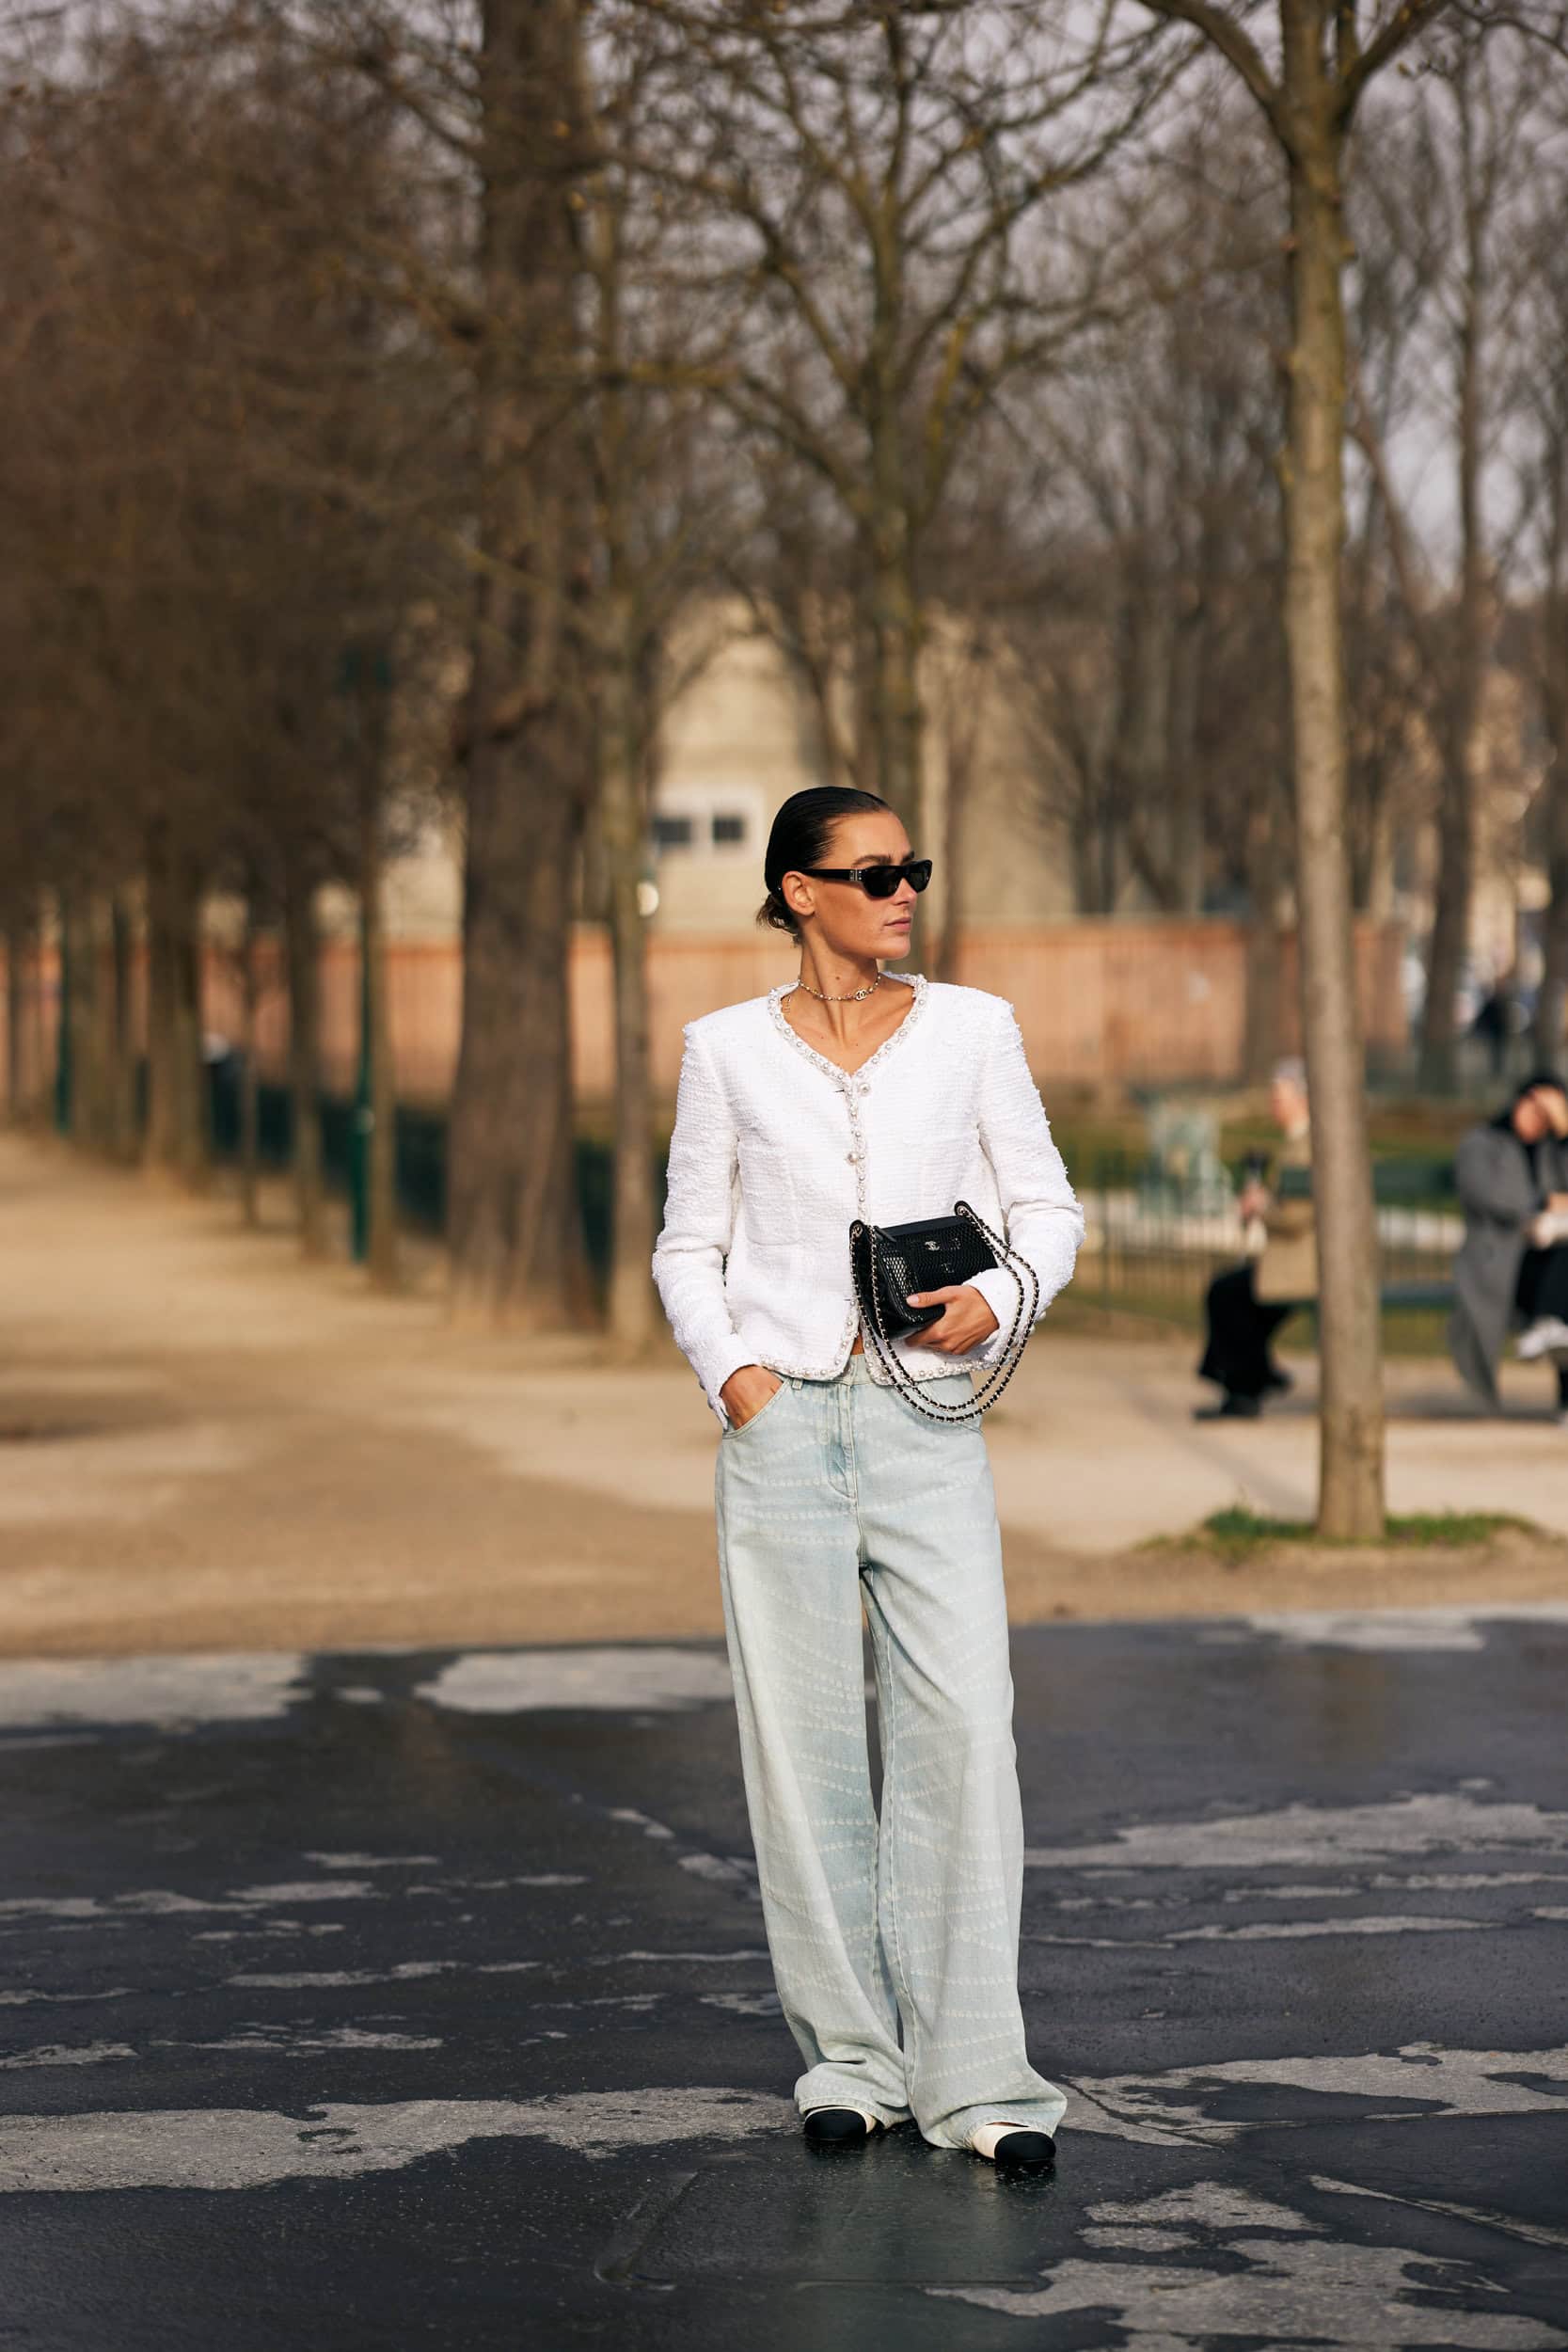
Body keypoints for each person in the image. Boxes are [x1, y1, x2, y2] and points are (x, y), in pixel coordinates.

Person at [651, 786, 1085, 2173]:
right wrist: (734, 1375)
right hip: (781, 1425)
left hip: (927, 1420)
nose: (902, 891)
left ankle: (978, 2081)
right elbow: (683, 1245)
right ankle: (848, 2061)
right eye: (872, 871)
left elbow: (1045, 1207)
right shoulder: (721, 1052)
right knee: (802, 1752)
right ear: (796, 891)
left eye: (912, 869)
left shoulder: (971, 1028)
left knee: (962, 1730)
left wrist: (1000, 1299)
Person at [1194, 1058, 1315, 1420]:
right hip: (1292, 1261)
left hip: (1301, 1266)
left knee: (1228, 1296)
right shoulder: (1300, 1143)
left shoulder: (1306, 1146)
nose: (1273, 1105)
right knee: (1232, 1294)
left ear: (1303, 1100)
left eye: (1280, 1098)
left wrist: (1260, 1205)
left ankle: (1245, 1388)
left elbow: (1296, 1217)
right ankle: (1256, 1377)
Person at [1449, 1072, 1568, 1423]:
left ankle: (1549, 1326)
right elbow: (1483, 1193)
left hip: (1553, 1257)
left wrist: (1565, 1135)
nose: (1538, 1120)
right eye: (1535, 1109)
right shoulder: (1481, 1144)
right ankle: (1548, 1323)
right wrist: (1543, 1203)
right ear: (1518, 1100)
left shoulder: (1551, 1149)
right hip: (1501, 1261)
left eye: (1548, 1116)